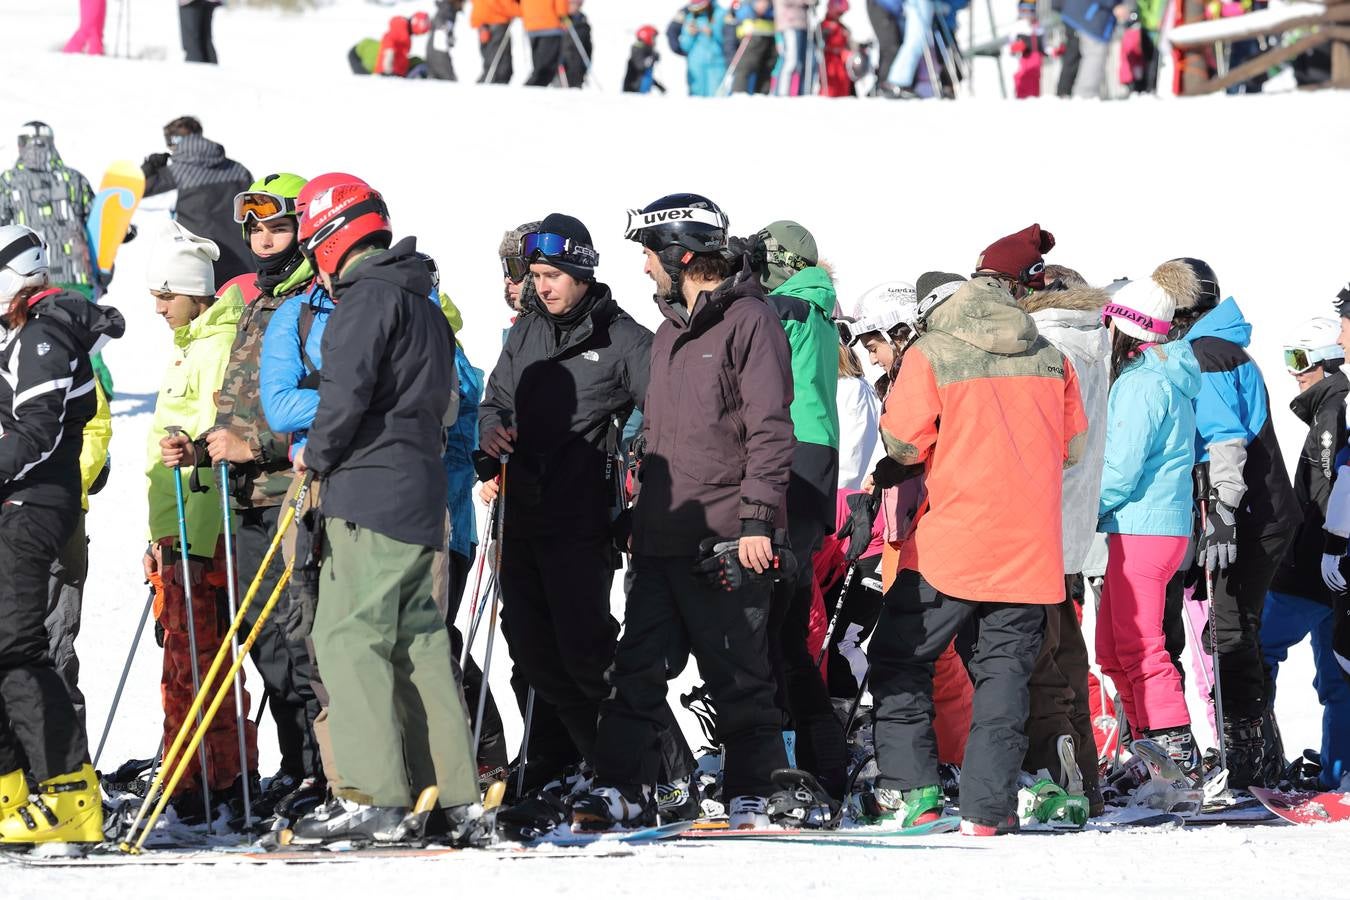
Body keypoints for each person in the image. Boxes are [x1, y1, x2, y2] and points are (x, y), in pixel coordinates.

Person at [577, 193, 794, 831]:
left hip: (725, 535)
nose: (644, 267)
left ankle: (753, 789)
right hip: (661, 535)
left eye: (650, 254)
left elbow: (771, 429)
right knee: (635, 669)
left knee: (737, 672)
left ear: (683, 254)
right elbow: (663, 438)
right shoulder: (671, 332)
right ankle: (621, 787)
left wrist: (757, 517)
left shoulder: (751, 320)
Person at [477, 214, 696, 826]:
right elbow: (493, 399)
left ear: (580, 272)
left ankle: (671, 778)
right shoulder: (525, 334)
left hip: (581, 521)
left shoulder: (624, 338)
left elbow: (667, 420)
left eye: (551, 276)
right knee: (534, 654)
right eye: (535, 275)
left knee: (590, 655)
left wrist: (643, 499)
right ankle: (609, 770)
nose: (540, 286)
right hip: (522, 517)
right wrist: (490, 430)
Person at [288, 181, 483, 845]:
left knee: (349, 639)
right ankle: (454, 796)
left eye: (314, 244)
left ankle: (373, 796)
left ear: (332, 237)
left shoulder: (366, 299)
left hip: (370, 492)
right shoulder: (422, 304)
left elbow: (345, 394)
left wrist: (314, 457)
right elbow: (448, 402)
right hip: (424, 498)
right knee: (420, 645)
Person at [871, 271, 1087, 836]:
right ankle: (986, 813)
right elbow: (1073, 446)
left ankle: (913, 792)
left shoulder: (931, 351)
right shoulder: (1050, 357)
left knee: (901, 658)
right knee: (1004, 679)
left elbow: (903, 442)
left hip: (952, 545)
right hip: (1029, 552)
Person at [170, 174, 326, 820]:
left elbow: (322, 398)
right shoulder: (257, 303)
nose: (264, 240)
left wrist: (253, 443)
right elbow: (239, 401)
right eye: (255, 229)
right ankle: (296, 768)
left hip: (291, 490)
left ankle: (323, 771)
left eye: (278, 226)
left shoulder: (316, 303)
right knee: (264, 642)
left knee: (301, 640)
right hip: (246, 498)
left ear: (303, 230)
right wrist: (203, 440)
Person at [0, 224, 123, 844]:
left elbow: (37, 430)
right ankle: (11, 789)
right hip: (18, 499)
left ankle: (68, 792)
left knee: (16, 644)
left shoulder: (44, 332)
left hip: (34, 502)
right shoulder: (23, 333)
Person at [1160, 257, 1298, 789]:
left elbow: (1225, 437)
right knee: (1239, 630)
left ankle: (1245, 761)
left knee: (1231, 630)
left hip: (1249, 514)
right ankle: (1261, 758)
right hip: (1261, 513)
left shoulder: (1208, 355)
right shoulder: (1222, 347)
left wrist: (1221, 510)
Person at [145, 221, 257, 823]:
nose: (159, 306)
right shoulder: (191, 344)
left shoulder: (217, 347)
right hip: (177, 528)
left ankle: (216, 780)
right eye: (155, 295)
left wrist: (191, 452)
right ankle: (187, 775)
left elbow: (215, 437)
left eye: (168, 293)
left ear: (196, 291)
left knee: (202, 665)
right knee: (183, 663)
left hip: (204, 530)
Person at [750, 220, 848, 807]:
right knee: (787, 633)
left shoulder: (785, 306)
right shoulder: (815, 307)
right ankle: (819, 766)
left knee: (768, 626)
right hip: (817, 462)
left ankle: (780, 766)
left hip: (790, 457)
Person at [1095, 279, 1203, 783]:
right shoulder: (1163, 376)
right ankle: (1151, 760)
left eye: (1108, 323)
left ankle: (1175, 762)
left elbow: (1120, 469)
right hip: (1147, 527)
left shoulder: (1141, 382)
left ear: (1127, 328)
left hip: (1144, 528)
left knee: (1140, 647)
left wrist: (1078, 512)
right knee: (1115, 651)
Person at [1019, 265, 1111, 812]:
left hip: (1039, 519)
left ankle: (1055, 771)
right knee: (1068, 652)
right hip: (1074, 525)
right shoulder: (1094, 341)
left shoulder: (1046, 344)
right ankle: (1089, 780)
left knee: (1038, 657)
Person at [1263, 316, 1350, 790]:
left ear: (1326, 361)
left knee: (1254, 650)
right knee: (1339, 676)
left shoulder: (1334, 411)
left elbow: (1328, 496)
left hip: (1315, 566)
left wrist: (1311, 555)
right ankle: (1339, 770)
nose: (1293, 372)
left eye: (1299, 359)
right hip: (1330, 567)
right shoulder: (1331, 406)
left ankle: (1253, 756)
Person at [0, 122, 113, 398]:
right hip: (77, 272)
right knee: (83, 332)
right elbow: (97, 223)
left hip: (29, 273)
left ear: (20, 144)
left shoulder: (7, 182)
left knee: (34, 335)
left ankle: (35, 386)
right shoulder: (73, 179)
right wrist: (104, 268)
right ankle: (99, 390)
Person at [45, 376, 112, 731]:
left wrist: (63, 488)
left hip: (52, 517)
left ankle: (63, 772)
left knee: (52, 643)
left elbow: (94, 426)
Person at [142, 117, 253, 286]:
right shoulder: (239, 170)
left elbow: (133, 196)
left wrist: (149, 169)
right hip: (244, 266)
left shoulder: (174, 175)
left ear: (174, 141)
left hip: (200, 267)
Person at [679, 1, 729, 96]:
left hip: (717, 64)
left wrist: (713, 33)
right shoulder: (690, 18)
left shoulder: (721, 14)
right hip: (696, 66)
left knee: (717, 98)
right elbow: (684, 47)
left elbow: (728, 41)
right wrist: (690, 34)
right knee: (696, 98)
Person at [731, 0, 778, 94]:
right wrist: (753, 6)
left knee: (767, 69)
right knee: (745, 68)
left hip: (770, 32)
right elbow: (737, 9)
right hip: (751, 34)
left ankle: (762, 97)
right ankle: (738, 97)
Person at [472, 0, 521, 83]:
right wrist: (522, 10)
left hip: (482, 21)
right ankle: (494, 85)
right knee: (499, 64)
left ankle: (487, 83)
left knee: (490, 60)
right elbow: (506, 4)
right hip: (496, 21)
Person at [523, 0, 569, 86]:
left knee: (540, 65)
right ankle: (530, 88)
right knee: (546, 67)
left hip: (531, 24)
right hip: (550, 25)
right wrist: (563, 16)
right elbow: (561, 4)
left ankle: (533, 89)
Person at [774, 0, 816, 95]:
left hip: (803, 25)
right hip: (789, 24)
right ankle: (781, 94)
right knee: (790, 61)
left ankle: (801, 93)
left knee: (803, 63)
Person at [866, 0, 904, 94]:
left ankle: (883, 84)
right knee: (890, 47)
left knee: (892, 46)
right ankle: (884, 84)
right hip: (882, 5)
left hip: (888, 7)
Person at [821, 0, 858, 96]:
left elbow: (850, 45)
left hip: (843, 65)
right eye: (839, 13)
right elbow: (820, 45)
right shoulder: (824, 26)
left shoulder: (843, 28)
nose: (840, 16)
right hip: (829, 64)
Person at [624, 25, 667, 93]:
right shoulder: (637, 49)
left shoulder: (646, 51)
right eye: (653, 38)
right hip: (633, 91)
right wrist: (653, 57)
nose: (654, 40)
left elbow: (645, 74)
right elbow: (641, 66)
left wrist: (658, 85)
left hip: (641, 90)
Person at [560, 0, 592, 87]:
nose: (574, 6)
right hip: (562, 63)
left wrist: (587, 63)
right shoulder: (561, 20)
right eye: (572, 3)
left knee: (576, 90)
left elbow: (588, 46)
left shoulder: (584, 23)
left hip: (578, 64)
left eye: (577, 4)